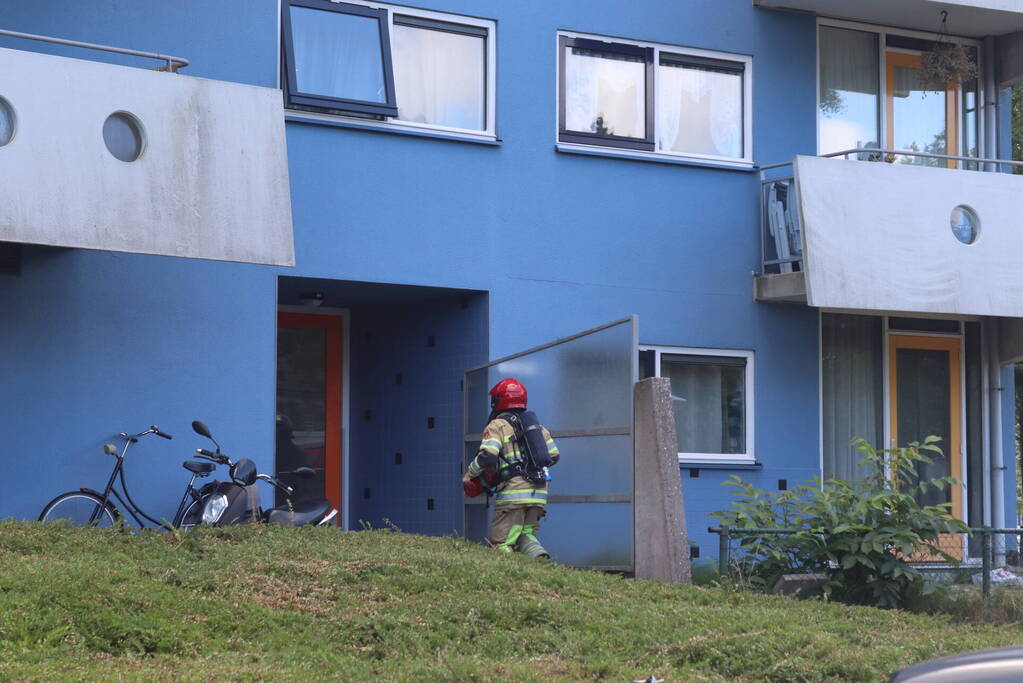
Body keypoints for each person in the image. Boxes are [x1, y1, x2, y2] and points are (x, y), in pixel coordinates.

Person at [462, 377, 560, 558]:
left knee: (501, 541)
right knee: (526, 536)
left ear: (499, 401)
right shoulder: (538, 427)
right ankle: (541, 562)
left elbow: (487, 456)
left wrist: (470, 473)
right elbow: (554, 455)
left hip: (514, 494)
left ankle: (506, 578)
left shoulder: (497, 425)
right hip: (539, 493)